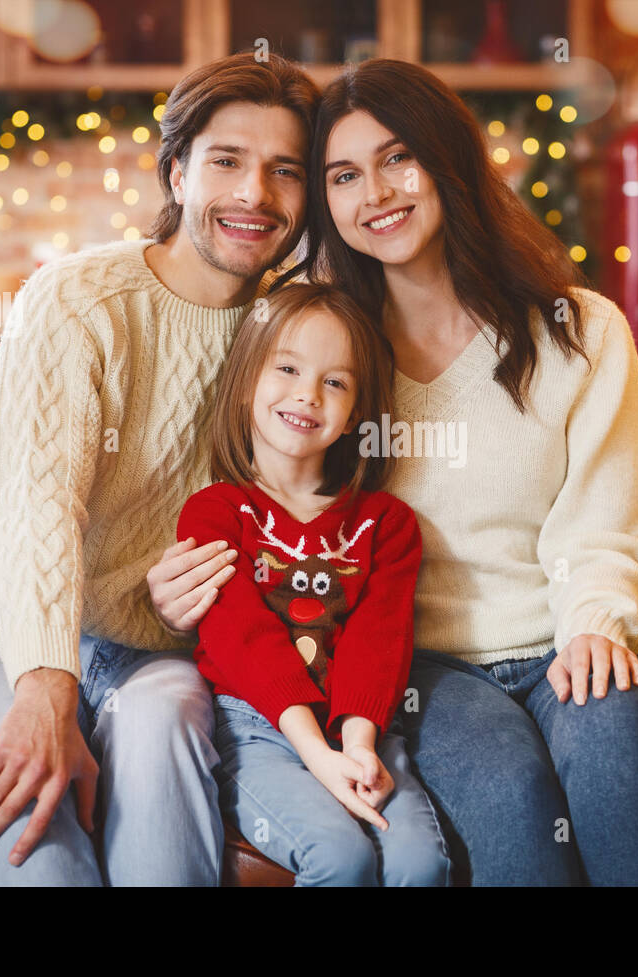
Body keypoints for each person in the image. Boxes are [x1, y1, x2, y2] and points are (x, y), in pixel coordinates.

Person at [0, 52, 318, 885]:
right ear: (177, 171)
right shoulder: (75, 299)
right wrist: (46, 685)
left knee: (164, 720)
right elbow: (39, 509)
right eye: (227, 162)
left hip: (159, 655)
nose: (256, 194)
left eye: (286, 171)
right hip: (0, 640)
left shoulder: (298, 330)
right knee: (35, 816)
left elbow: (314, 511)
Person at [292, 58, 638, 884]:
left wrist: (594, 623)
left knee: (613, 739)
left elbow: (606, 520)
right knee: (512, 795)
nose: (375, 192)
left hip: (565, 634)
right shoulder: (327, 355)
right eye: (343, 175)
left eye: (397, 157)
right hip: (427, 669)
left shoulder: (581, 331)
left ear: (448, 160)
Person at [174, 282, 451, 885]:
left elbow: (378, 644)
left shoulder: (387, 524)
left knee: (420, 863)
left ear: (357, 413)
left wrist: (357, 747)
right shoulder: (216, 513)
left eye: (336, 381)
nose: (308, 394)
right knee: (340, 856)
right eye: (289, 368)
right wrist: (317, 755)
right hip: (256, 727)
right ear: (248, 379)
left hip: (364, 729)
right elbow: (242, 639)